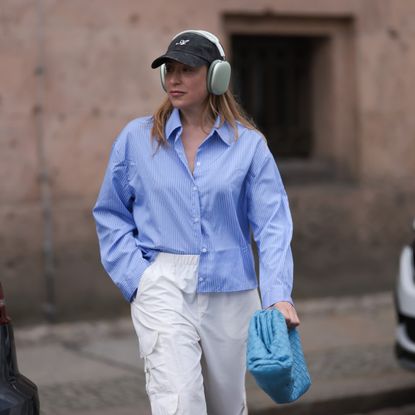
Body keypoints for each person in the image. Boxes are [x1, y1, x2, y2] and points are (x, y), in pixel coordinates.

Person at [93, 29, 300, 415]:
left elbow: (273, 224)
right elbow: (110, 213)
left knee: (227, 406)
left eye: (186, 70)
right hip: (162, 284)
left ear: (217, 76)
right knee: (179, 402)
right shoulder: (136, 139)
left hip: (233, 290)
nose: (174, 79)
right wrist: (139, 278)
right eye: (169, 69)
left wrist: (278, 295)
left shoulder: (250, 146)